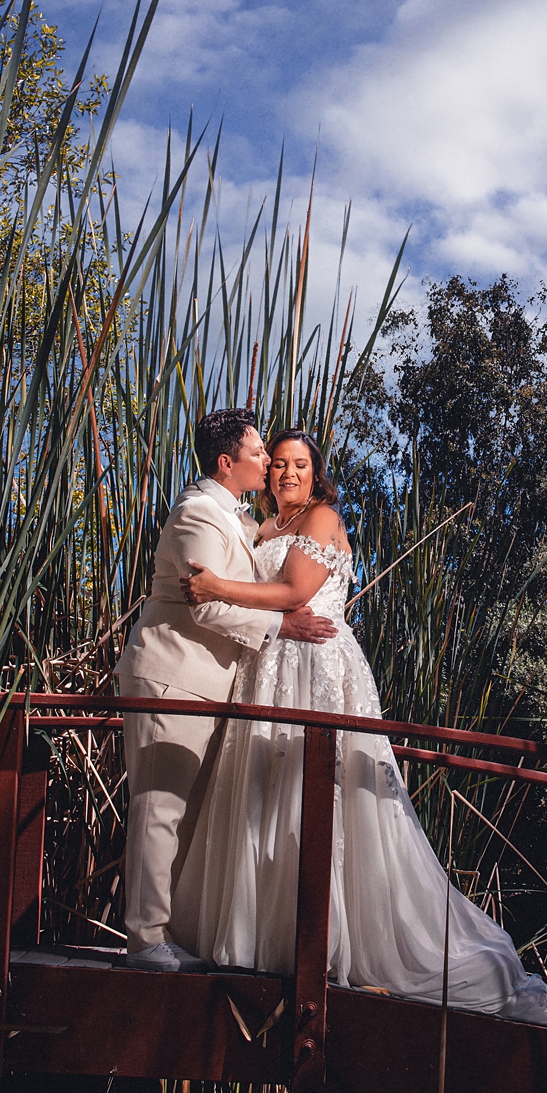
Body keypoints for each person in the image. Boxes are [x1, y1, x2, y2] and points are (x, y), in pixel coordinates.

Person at [170, 429, 547, 1025]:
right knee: (266, 793)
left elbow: (293, 590)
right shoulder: (262, 530)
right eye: (277, 463)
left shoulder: (321, 518)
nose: (286, 474)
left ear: (316, 473)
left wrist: (213, 587)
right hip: (269, 665)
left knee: (321, 796)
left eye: (299, 465)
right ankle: (268, 936)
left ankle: (327, 943)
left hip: (316, 663)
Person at [113, 409, 337, 971]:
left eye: (286, 460)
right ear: (226, 461)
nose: (269, 463)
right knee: (160, 806)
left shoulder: (241, 518)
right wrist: (282, 627)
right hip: (172, 674)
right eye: (262, 454)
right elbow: (207, 602)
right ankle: (143, 940)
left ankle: (171, 932)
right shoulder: (199, 514)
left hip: (214, 682)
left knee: (189, 811)